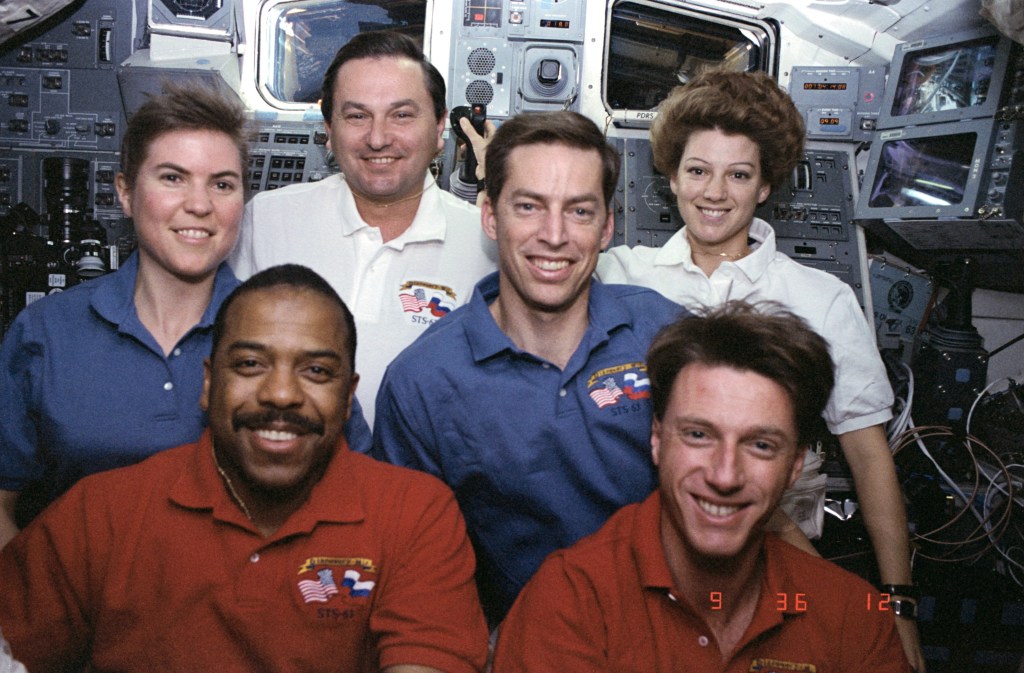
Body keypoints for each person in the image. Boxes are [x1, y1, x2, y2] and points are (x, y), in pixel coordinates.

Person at [0, 265, 489, 673]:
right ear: (209, 384)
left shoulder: (415, 514)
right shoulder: (101, 511)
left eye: (316, 371)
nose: (281, 394)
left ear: (347, 397)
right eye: (251, 364)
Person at [595, 69, 924, 670]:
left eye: (738, 174)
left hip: (780, 568)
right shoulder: (621, 275)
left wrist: (896, 604)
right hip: (645, 564)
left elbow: (868, 455)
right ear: (670, 177)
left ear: (766, 185)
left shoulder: (819, 297)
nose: (714, 192)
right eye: (697, 170)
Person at [371, 110, 685, 624]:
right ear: (491, 216)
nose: (554, 235)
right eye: (529, 207)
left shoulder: (665, 335)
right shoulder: (423, 381)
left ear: (607, 227)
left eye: (580, 211)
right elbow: (411, 573)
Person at [493, 302, 913, 673]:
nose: (724, 475)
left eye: (761, 445)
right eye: (698, 435)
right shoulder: (571, 601)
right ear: (656, 439)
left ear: (795, 465)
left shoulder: (852, 615)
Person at [0, 81, 248, 548]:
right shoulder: (46, 334)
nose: (199, 204)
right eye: (173, 177)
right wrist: (35, 610)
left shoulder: (283, 335)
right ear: (126, 193)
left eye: (222, 184)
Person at [230, 30, 496, 424]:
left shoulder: (487, 244)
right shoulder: (266, 221)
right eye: (357, 116)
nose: (377, 138)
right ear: (329, 129)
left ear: (439, 127)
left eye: (402, 115)